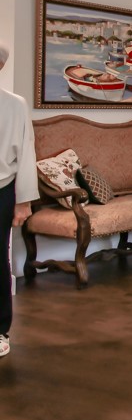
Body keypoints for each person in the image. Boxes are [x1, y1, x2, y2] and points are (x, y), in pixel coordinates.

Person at [0, 40, 38, 358]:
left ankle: (0, 331)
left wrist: (23, 202)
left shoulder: (15, 105)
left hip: (1, 190)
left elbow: (26, 154)